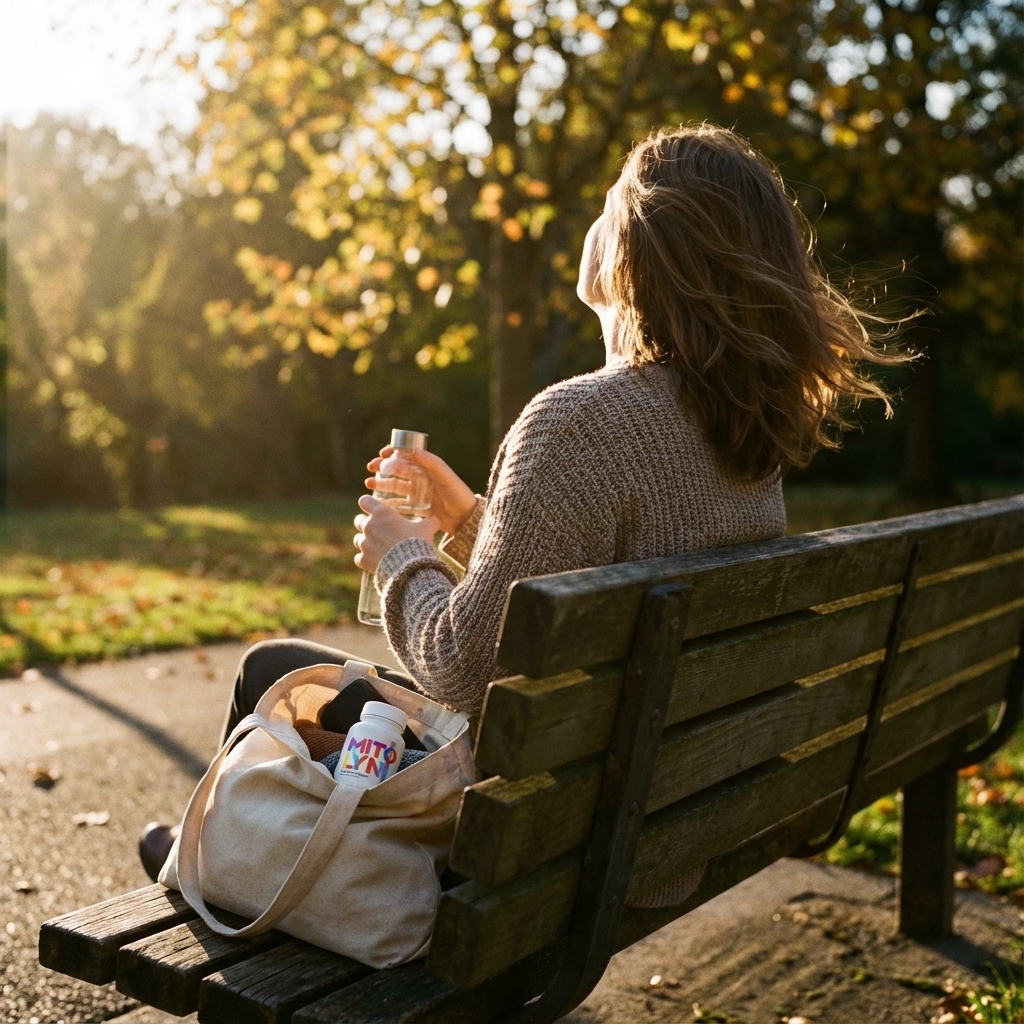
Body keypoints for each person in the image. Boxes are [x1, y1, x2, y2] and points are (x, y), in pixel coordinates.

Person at [139, 123, 906, 885]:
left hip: (544, 846)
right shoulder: (745, 430)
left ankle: (208, 868)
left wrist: (402, 554)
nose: (594, 220)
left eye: (609, 204)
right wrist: (475, 521)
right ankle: (205, 855)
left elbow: (464, 669)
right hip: (658, 816)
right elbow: (578, 604)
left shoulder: (577, 421)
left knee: (272, 667)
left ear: (634, 249)